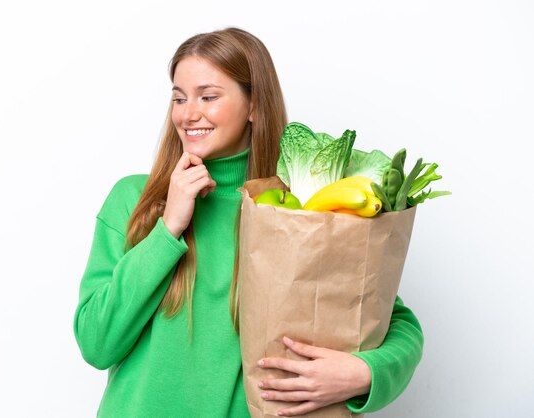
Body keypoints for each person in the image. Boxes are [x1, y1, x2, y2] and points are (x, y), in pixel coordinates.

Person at [73, 27, 423, 417]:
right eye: (178, 98)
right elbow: (95, 342)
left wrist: (364, 373)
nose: (189, 113)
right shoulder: (133, 199)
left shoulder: (299, 209)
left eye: (208, 96)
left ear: (254, 105)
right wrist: (167, 228)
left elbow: (389, 318)